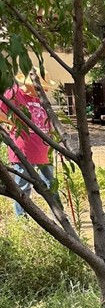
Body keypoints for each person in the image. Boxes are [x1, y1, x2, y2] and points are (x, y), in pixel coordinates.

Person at [0, 79, 57, 217]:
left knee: (51, 185)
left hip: (44, 149)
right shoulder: (13, 93)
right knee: (23, 187)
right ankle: (22, 218)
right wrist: (12, 121)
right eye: (40, 87)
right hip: (23, 149)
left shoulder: (40, 98)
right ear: (29, 85)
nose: (45, 90)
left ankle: (58, 215)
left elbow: (48, 120)